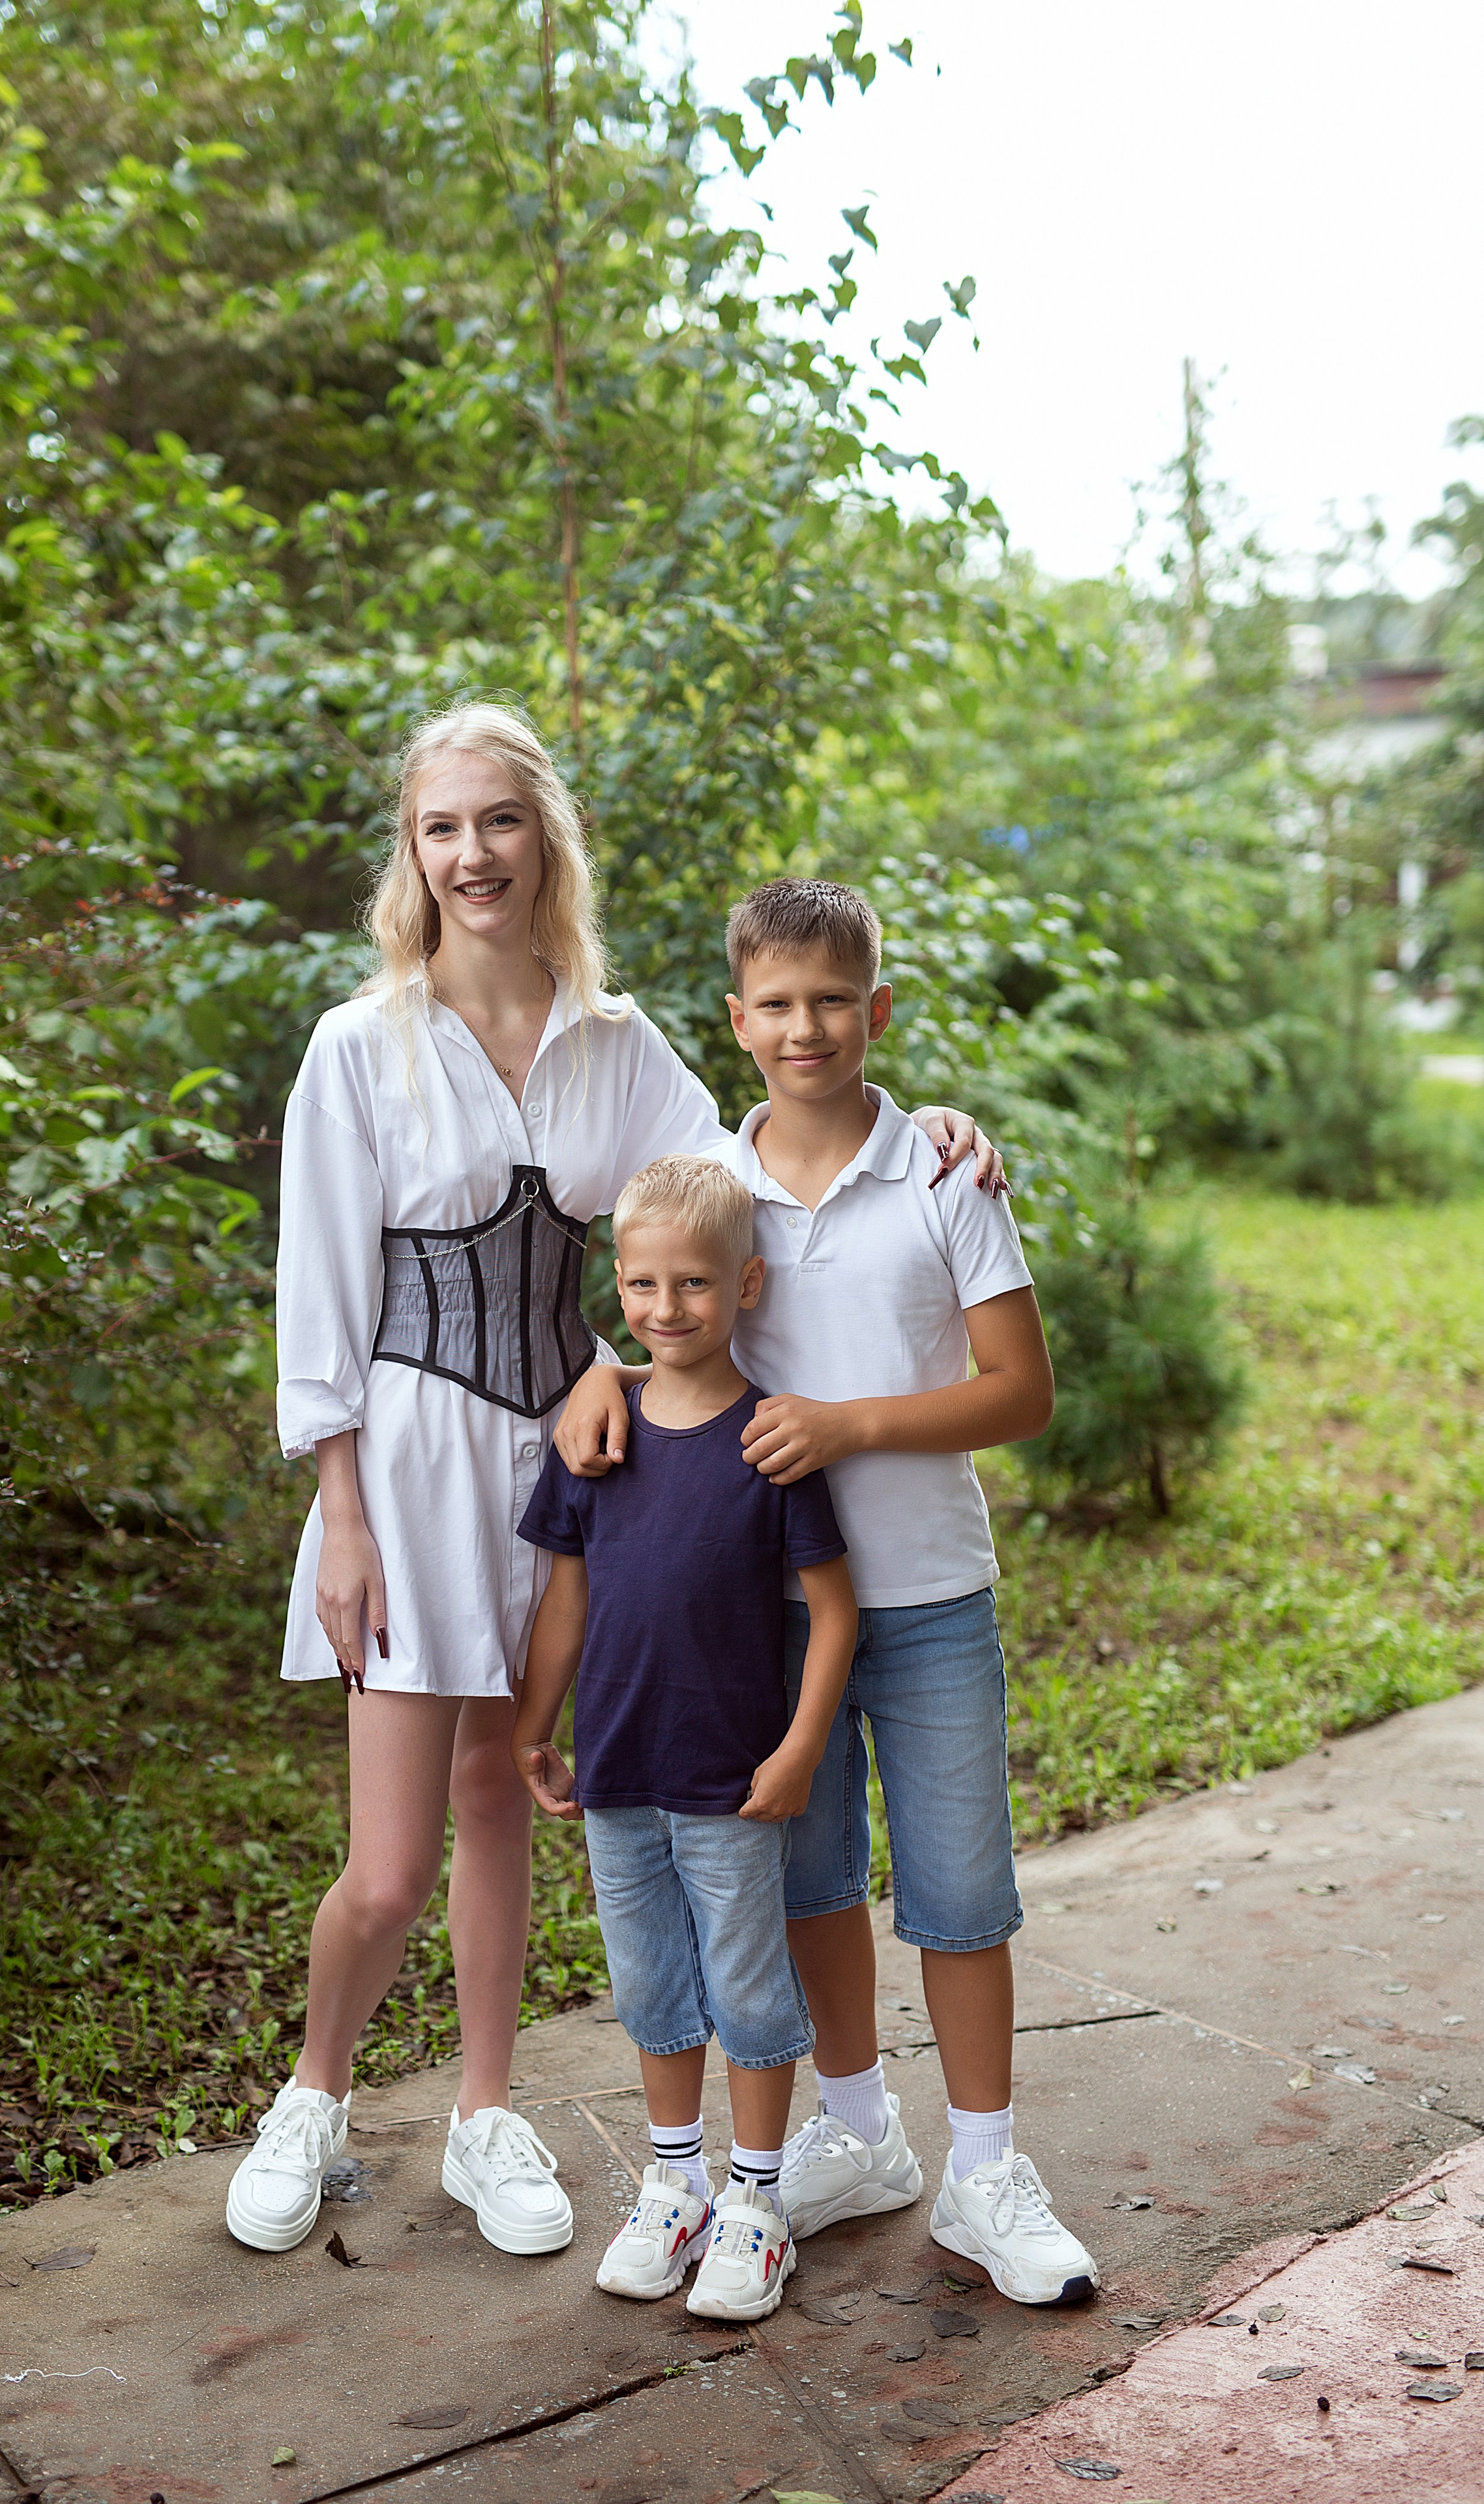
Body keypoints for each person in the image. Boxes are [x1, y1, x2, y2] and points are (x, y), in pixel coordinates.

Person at [221, 708, 1001, 2258]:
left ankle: (483, 2114)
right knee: (389, 1863)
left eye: (498, 821)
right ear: (411, 854)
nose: (471, 855)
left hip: (574, 1458)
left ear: (544, 838)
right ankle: (310, 2096)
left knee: (500, 1794)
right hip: (407, 1464)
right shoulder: (359, 1045)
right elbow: (319, 1294)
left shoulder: (613, 1038)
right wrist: (341, 1514)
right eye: (441, 829)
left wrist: (917, 1130)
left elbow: (736, 1187)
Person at [556, 877, 1101, 2306]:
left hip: (928, 1598)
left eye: (834, 1002)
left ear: (878, 1010)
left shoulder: (942, 1175)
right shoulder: (708, 1179)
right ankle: (858, 2138)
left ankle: (984, 2171)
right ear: (737, 1021)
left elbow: (1021, 1392)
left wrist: (849, 1424)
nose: (807, 1029)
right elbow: (656, 1309)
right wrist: (593, 1378)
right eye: (779, 1006)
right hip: (762, 1619)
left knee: (961, 1895)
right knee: (808, 1887)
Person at [511, 1154, 857, 2321]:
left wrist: (800, 1747)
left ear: (746, 1285)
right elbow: (565, 1603)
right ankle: (677, 2188)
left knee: (750, 1990)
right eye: (645, 1284)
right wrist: (532, 1729)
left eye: (696, 1283)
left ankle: (756, 2200)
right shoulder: (594, 1441)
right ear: (618, 1287)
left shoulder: (770, 1443)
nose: (668, 1308)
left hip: (730, 1776)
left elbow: (834, 1610)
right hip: (617, 1769)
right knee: (651, 1983)